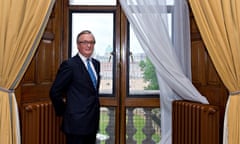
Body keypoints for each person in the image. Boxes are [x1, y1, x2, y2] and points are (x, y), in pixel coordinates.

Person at [50, 30, 101, 144]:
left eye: (92, 42)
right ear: (78, 45)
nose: (89, 45)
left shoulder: (96, 64)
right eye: (85, 42)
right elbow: (54, 92)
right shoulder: (69, 65)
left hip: (92, 122)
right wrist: (65, 110)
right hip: (75, 124)